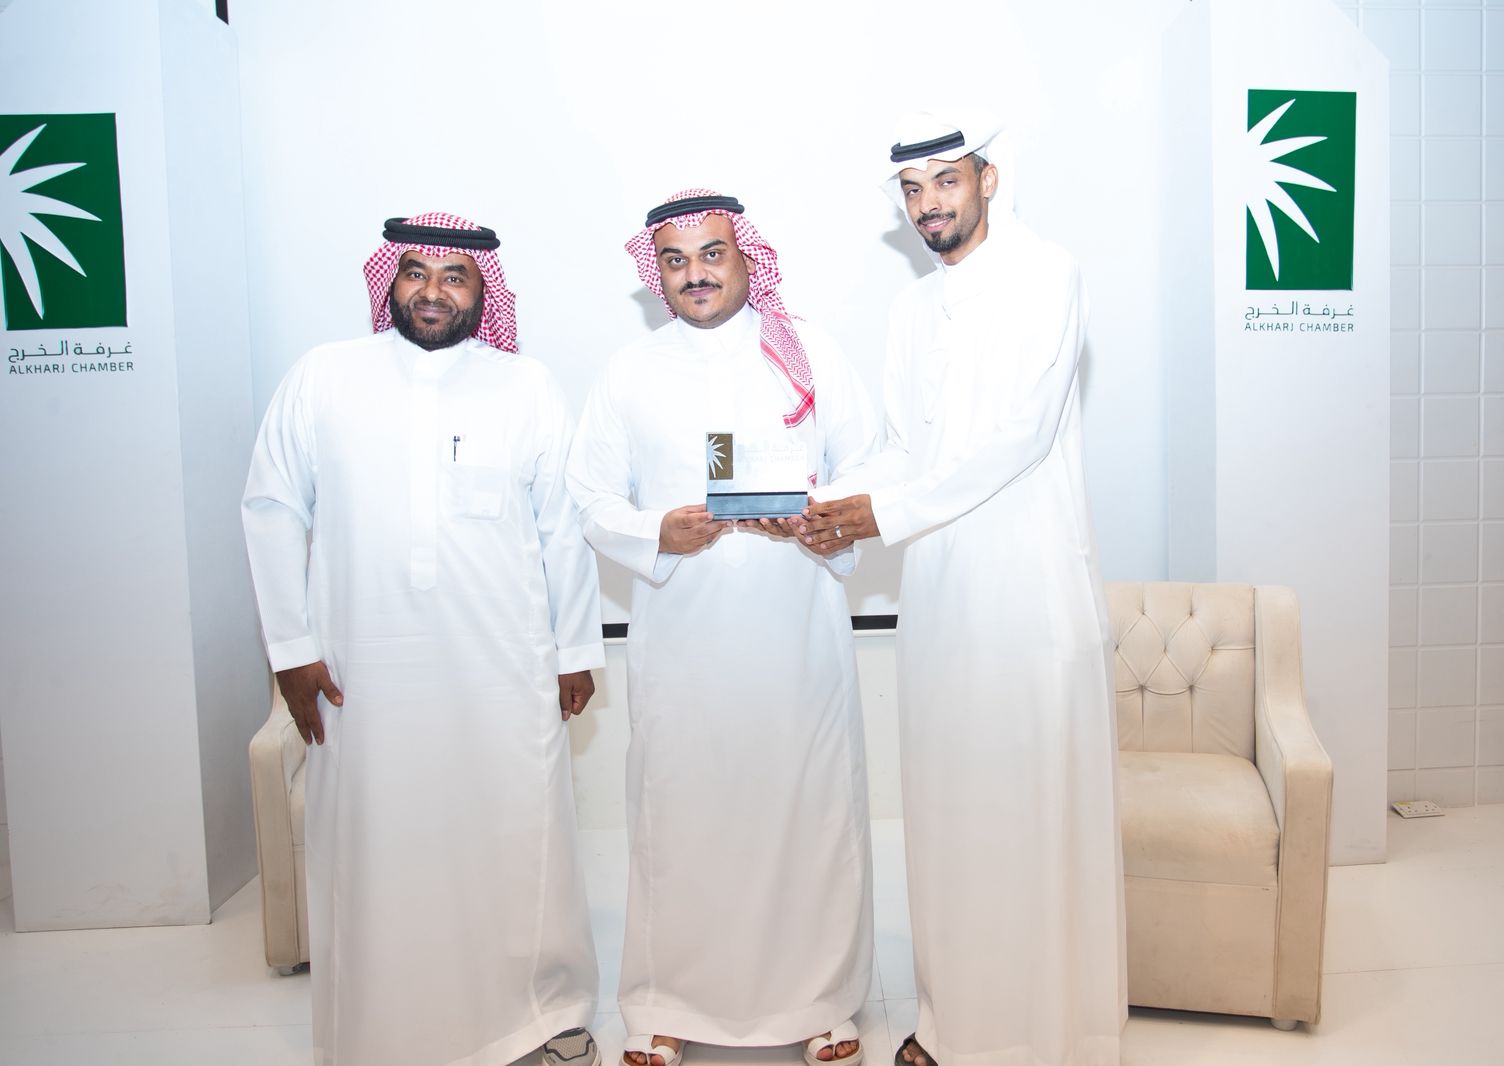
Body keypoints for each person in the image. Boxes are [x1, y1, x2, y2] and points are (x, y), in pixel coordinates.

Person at [800, 114, 1127, 1066]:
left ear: (988, 177)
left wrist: (880, 514)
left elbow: (1019, 438)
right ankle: (956, 1027)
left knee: (1033, 819)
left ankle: (1049, 1039)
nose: (928, 204)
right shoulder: (912, 310)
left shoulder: (1048, 274)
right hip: (941, 595)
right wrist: (825, 503)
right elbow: (908, 450)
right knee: (951, 819)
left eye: (946, 180)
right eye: (912, 189)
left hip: (1030, 595)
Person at [242, 213, 605, 1066]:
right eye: (415, 272)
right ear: (390, 282)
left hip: (503, 669)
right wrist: (290, 649)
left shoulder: (526, 387)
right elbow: (271, 508)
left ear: (483, 292)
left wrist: (576, 648)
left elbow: (564, 528)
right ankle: (382, 1028)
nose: (432, 291)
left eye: (454, 276)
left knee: (516, 837)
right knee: (377, 847)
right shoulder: (324, 378)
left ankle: (541, 1016)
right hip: (362, 672)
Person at [565, 190, 878, 1066]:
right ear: (656, 272)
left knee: (808, 809)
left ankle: (820, 1000)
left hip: (797, 632)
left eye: (712, 254)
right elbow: (590, 496)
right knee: (681, 814)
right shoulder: (629, 372)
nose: (694, 274)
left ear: (746, 258)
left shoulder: (809, 351)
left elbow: (870, 461)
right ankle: (668, 1003)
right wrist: (654, 533)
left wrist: (822, 517)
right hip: (682, 638)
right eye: (675, 260)